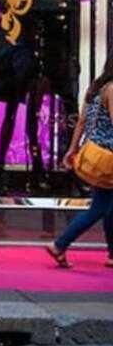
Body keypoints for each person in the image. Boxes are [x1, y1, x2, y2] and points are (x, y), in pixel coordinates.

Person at [46, 56, 113, 269]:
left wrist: (73, 149)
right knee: (101, 208)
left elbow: (82, 121)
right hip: (109, 157)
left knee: (104, 206)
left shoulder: (95, 88)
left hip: (95, 155)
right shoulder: (112, 90)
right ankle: (60, 244)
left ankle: (110, 252)